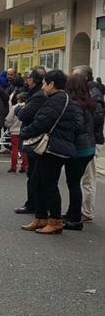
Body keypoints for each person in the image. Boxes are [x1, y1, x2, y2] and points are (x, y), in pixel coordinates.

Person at [20, 69, 82, 235]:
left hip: (54, 148)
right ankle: (41, 217)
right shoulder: (62, 98)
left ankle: (55, 220)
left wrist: (24, 133)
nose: (43, 87)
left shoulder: (58, 99)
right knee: (37, 181)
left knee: (49, 185)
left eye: (45, 84)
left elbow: (42, 122)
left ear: (52, 84)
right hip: (53, 147)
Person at [62, 74, 99, 230]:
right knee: (74, 182)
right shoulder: (87, 102)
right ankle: (72, 213)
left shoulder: (75, 104)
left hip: (79, 148)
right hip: (88, 147)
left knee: (73, 183)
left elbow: (76, 126)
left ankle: (75, 218)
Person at [73, 65, 105, 225]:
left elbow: (98, 119)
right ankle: (80, 209)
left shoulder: (93, 95)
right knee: (82, 177)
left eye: (75, 76)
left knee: (88, 178)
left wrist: (88, 133)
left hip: (92, 141)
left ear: (84, 78)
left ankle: (87, 211)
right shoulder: (86, 93)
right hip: (88, 139)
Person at [14, 66, 48, 214]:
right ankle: (34, 204)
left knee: (36, 175)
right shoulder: (34, 93)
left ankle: (35, 205)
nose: (26, 80)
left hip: (36, 138)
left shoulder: (39, 96)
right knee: (34, 173)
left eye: (28, 77)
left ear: (32, 80)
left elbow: (23, 114)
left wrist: (18, 109)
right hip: (34, 136)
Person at [4, 93, 28, 173]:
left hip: (14, 131)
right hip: (25, 131)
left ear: (19, 99)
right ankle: (24, 166)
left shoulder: (15, 108)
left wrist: (8, 125)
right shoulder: (29, 107)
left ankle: (13, 166)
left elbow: (9, 119)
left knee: (15, 149)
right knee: (24, 149)